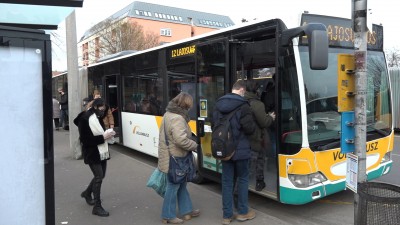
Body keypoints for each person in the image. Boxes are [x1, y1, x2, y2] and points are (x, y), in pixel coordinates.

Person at [212, 80, 256, 225]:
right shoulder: (244, 106)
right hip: (241, 150)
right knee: (243, 179)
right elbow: (250, 129)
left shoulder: (218, 105)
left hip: (224, 149)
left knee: (227, 182)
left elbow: (214, 126)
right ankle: (243, 212)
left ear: (233, 89)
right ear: (242, 90)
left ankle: (227, 215)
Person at [158, 92, 200, 224]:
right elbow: (180, 140)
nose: (190, 108)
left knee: (181, 184)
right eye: (189, 105)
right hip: (176, 157)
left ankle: (186, 211)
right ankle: (168, 216)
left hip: (171, 155)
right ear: (185, 104)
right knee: (174, 185)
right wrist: (195, 145)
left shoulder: (168, 114)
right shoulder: (177, 118)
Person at [74, 98, 116, 217]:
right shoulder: (85, 119)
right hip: (92, 153)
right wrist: (103, 137)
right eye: (100, 109)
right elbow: (85, 140)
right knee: (98, 177)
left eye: (104, 109)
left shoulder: (98, 117)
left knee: (101, 175)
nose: (102, 112)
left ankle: (87, 193)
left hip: (101, 151)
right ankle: (97, 207)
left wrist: (108, 134)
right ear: (95, 107)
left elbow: (101, 133)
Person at [244, 80, 275, 191]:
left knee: (247, 165)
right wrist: (271, 117)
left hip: (243, 139)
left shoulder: (241, 101)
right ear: (256, 90)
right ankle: (258, 183)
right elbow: (264, 122)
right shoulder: (257, 104)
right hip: (255, 138)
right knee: (258, 160)